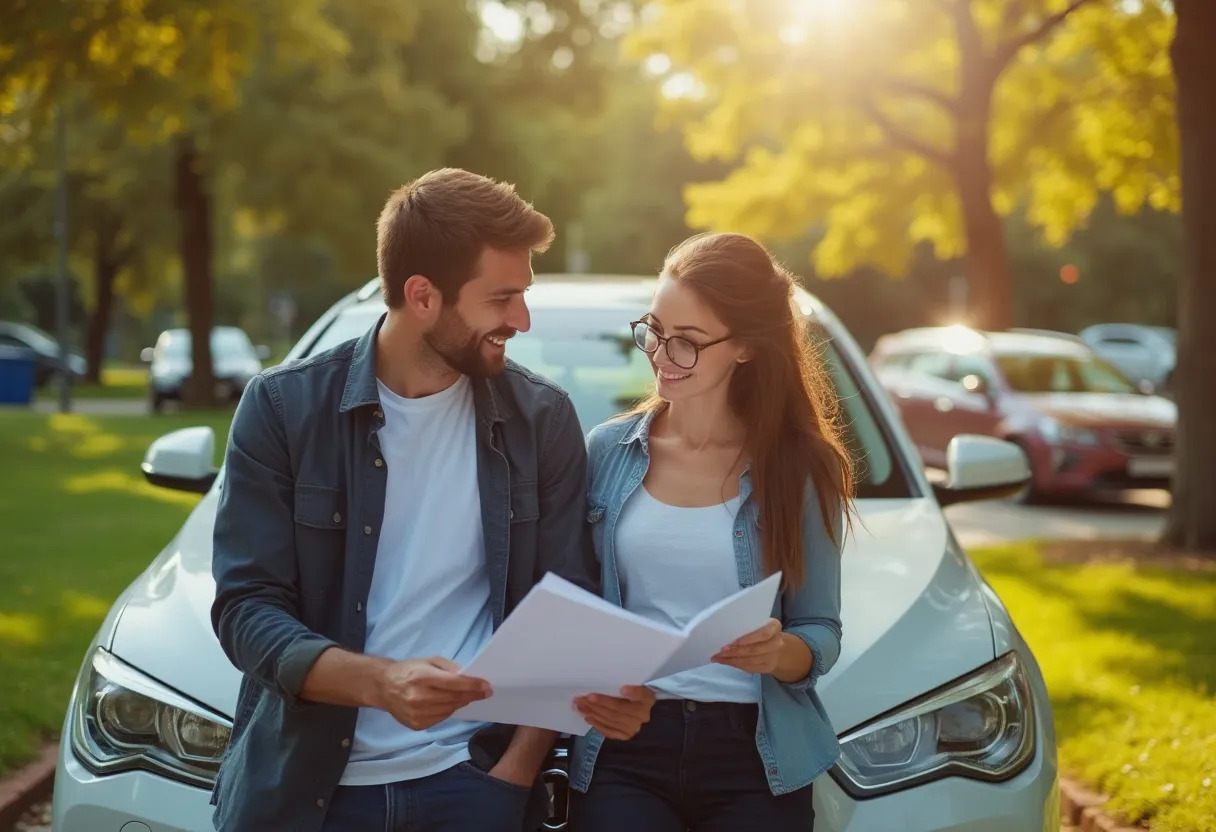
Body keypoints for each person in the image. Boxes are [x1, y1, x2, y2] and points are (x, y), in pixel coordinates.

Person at [209, 167, 654, 832]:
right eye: (503, 298)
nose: (522, 319)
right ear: (422, 296)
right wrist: (381, 684)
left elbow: (568, 604)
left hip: (474, 787)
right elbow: (247, 609)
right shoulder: (282, 409)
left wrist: (512, 780)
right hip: (309, 795)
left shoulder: (542, 420)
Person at [569, 232, 855, 831]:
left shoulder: (801, 467)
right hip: (629, 746)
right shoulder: (606, 453)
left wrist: (779, 653)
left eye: (687, 343)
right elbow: (573, 607)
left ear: (746, 348)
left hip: (753, 753)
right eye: (653, 329)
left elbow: (820, 630)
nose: (660, 354)